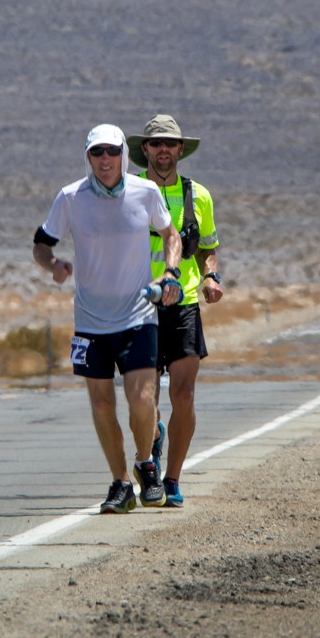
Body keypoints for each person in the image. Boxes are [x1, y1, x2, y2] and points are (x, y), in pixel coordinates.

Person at [34, 124, 183, 513]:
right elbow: (41, 243)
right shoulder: (71, 198)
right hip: (90, 322)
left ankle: (145, 462)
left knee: (142, 397)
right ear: (88, 157)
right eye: (97, 153)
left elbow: (171, 236)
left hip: (137, 316)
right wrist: (53, 264)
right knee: (101, 404)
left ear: (123, 155)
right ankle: (120, 484)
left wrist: (170, 273)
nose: (104, 160)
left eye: (111, 152)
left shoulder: (145, 193)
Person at [126, 113, 222, 508]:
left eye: (170, 143)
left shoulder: (198, 195)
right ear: (144, 150)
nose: (163, 149)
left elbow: (208, 247)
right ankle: (152, 438)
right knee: (142, 399)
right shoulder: (128, 192)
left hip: (182, 306)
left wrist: (210, 278)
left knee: (184, 395)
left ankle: (173, 479)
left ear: (181, 149)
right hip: (137, 307)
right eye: (155, 143)